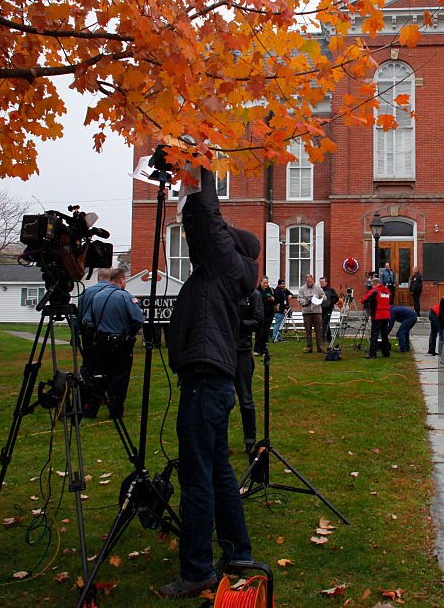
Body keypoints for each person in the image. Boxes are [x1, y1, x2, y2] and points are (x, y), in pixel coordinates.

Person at [161, 166, 255, 599]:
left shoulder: (224, 264)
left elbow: (210, 220)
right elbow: (203, 227)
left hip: (205, 383)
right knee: (218, 472)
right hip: (213, 382)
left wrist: (201, 164)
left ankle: (197, 568)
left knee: (197, 477)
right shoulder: (225, 273)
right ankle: (237, 553)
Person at [87, 268, 145, 417]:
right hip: (119, 343)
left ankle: (91, 408)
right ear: (122, 280)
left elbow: (90, 319)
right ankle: (115, 410)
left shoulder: (97, 297)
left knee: (99, 376)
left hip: (100, 342)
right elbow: (138, 319)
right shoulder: (124, 297)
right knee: (119, 376)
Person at [236, 286, 263, 458]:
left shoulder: (252, 294)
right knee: (222, 399)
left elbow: (258, 320)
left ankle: (250, 440)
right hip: (222, 350)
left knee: (245, 399)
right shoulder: (224, 289)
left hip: (242, 351)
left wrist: (238, 325)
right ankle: (218, 440)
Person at [361, 277, 392, 358]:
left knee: (374, 334)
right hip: (386, 314)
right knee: (384, 334)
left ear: (374, 284)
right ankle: (386, 353)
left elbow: (364, 299)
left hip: (377, 314)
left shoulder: (375, 291)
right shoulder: (387, 291)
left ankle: (372, 353)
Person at [297, 273, 326, 353]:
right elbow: (299, 299)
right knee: (308, 330)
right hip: (307, 312)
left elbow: (323, 295)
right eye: (308, 282)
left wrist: (323, 297)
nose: (309, 283)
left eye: (310, 281)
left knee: (318, 330)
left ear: (312, 280)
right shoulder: (302, 289)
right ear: (306, 281)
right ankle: (309, 347)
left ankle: (320, 346)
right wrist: (305, 302)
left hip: (317, 311)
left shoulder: (318, 288)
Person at [254, 277, 274, 354]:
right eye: (264, 283)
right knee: (259, 332)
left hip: (269, 314)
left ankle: (265, 349)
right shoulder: (257, 291)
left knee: (266, 332)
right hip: (259, 314)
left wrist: (273, 299)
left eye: (267, 283)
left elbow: (275, 300)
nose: (266, 285)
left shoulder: (270, 290)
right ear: (261, 282)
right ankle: (257, 349)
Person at [320, 276, 340, 344]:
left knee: (325, 322)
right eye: (321, 282)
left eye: (323, 282)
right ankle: (329, 338)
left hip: (328, 309)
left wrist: (330, 303)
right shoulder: (319, 290)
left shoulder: (331, 290)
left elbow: (336, 298)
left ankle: (322, 338)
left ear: (326, 282)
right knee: (325, 323)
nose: (322, 283)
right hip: (320, 309)